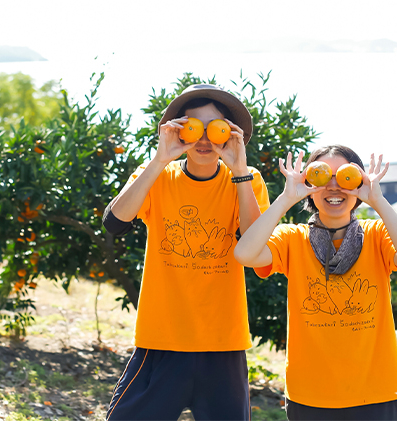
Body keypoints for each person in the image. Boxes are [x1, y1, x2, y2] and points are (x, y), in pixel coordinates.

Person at [102, 84, 270, 420]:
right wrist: (161, 158)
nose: (205, 139)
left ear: (230, 133)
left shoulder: (248, 179)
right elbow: (115, 222)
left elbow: (255, 248)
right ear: (179, 130)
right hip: (162, 338)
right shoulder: (158, 176)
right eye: (194, 127)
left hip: (223, 342)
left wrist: (239, 173)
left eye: (216, 129)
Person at [234, 145, 397, 420]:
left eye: (345, 176)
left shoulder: (376, 235)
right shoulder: (292, 238)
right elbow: (245, 254)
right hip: (310, 395)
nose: (335, 186)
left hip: (375, 392)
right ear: (310, 183)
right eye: (323, 176)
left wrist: (378, 201)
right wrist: (287, 197)